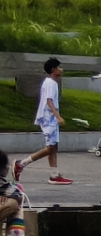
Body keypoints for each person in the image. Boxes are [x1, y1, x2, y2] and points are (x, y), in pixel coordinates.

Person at [15, 57, 72, 186]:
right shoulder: (51, 83)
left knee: (54, 147)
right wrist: (58, 117)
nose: (61, 70)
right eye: (59, 67)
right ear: (53, 69)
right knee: (50, 148)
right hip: (49, 118)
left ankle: (54, 175)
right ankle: (21, 164)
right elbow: (49, 101)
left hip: (49, 117)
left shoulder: (50, 82)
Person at [0, 152, 25, 236]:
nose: (8, 168)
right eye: (7, 165)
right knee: (13, 203)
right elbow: (18, 194)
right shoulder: (1, 183)